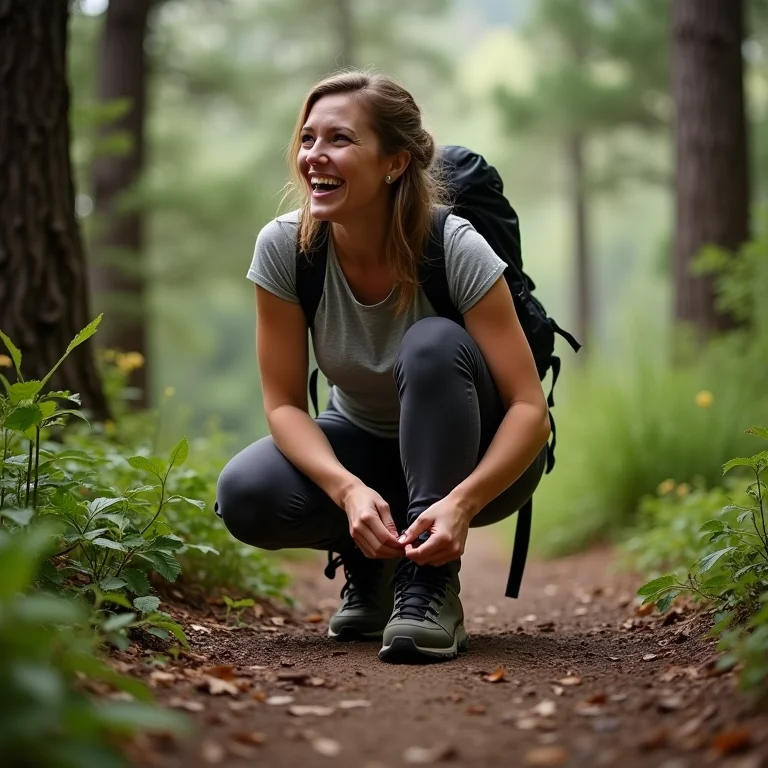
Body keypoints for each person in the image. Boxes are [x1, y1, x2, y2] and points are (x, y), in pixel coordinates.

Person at [215, 70, 551, 664]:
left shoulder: (455, 247)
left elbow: (530, 409)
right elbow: (285, 404)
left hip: (480, 459)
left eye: (340, 139)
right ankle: (372, 562)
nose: (315, 156)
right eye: (308, 138)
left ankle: (431, 584)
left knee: (430, 345)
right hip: (364, 446)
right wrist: (346, 491)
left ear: (394, 163)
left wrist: (464, 503)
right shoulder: (286, 248)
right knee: (246, 493)